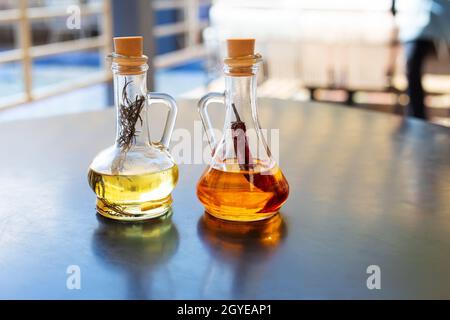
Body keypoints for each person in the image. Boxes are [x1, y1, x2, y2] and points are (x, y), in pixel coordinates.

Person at [395, 0, 450, 120]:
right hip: (415, 19)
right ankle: (416, 114)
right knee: (412, 66)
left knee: (412, 66)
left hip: (443, 15)